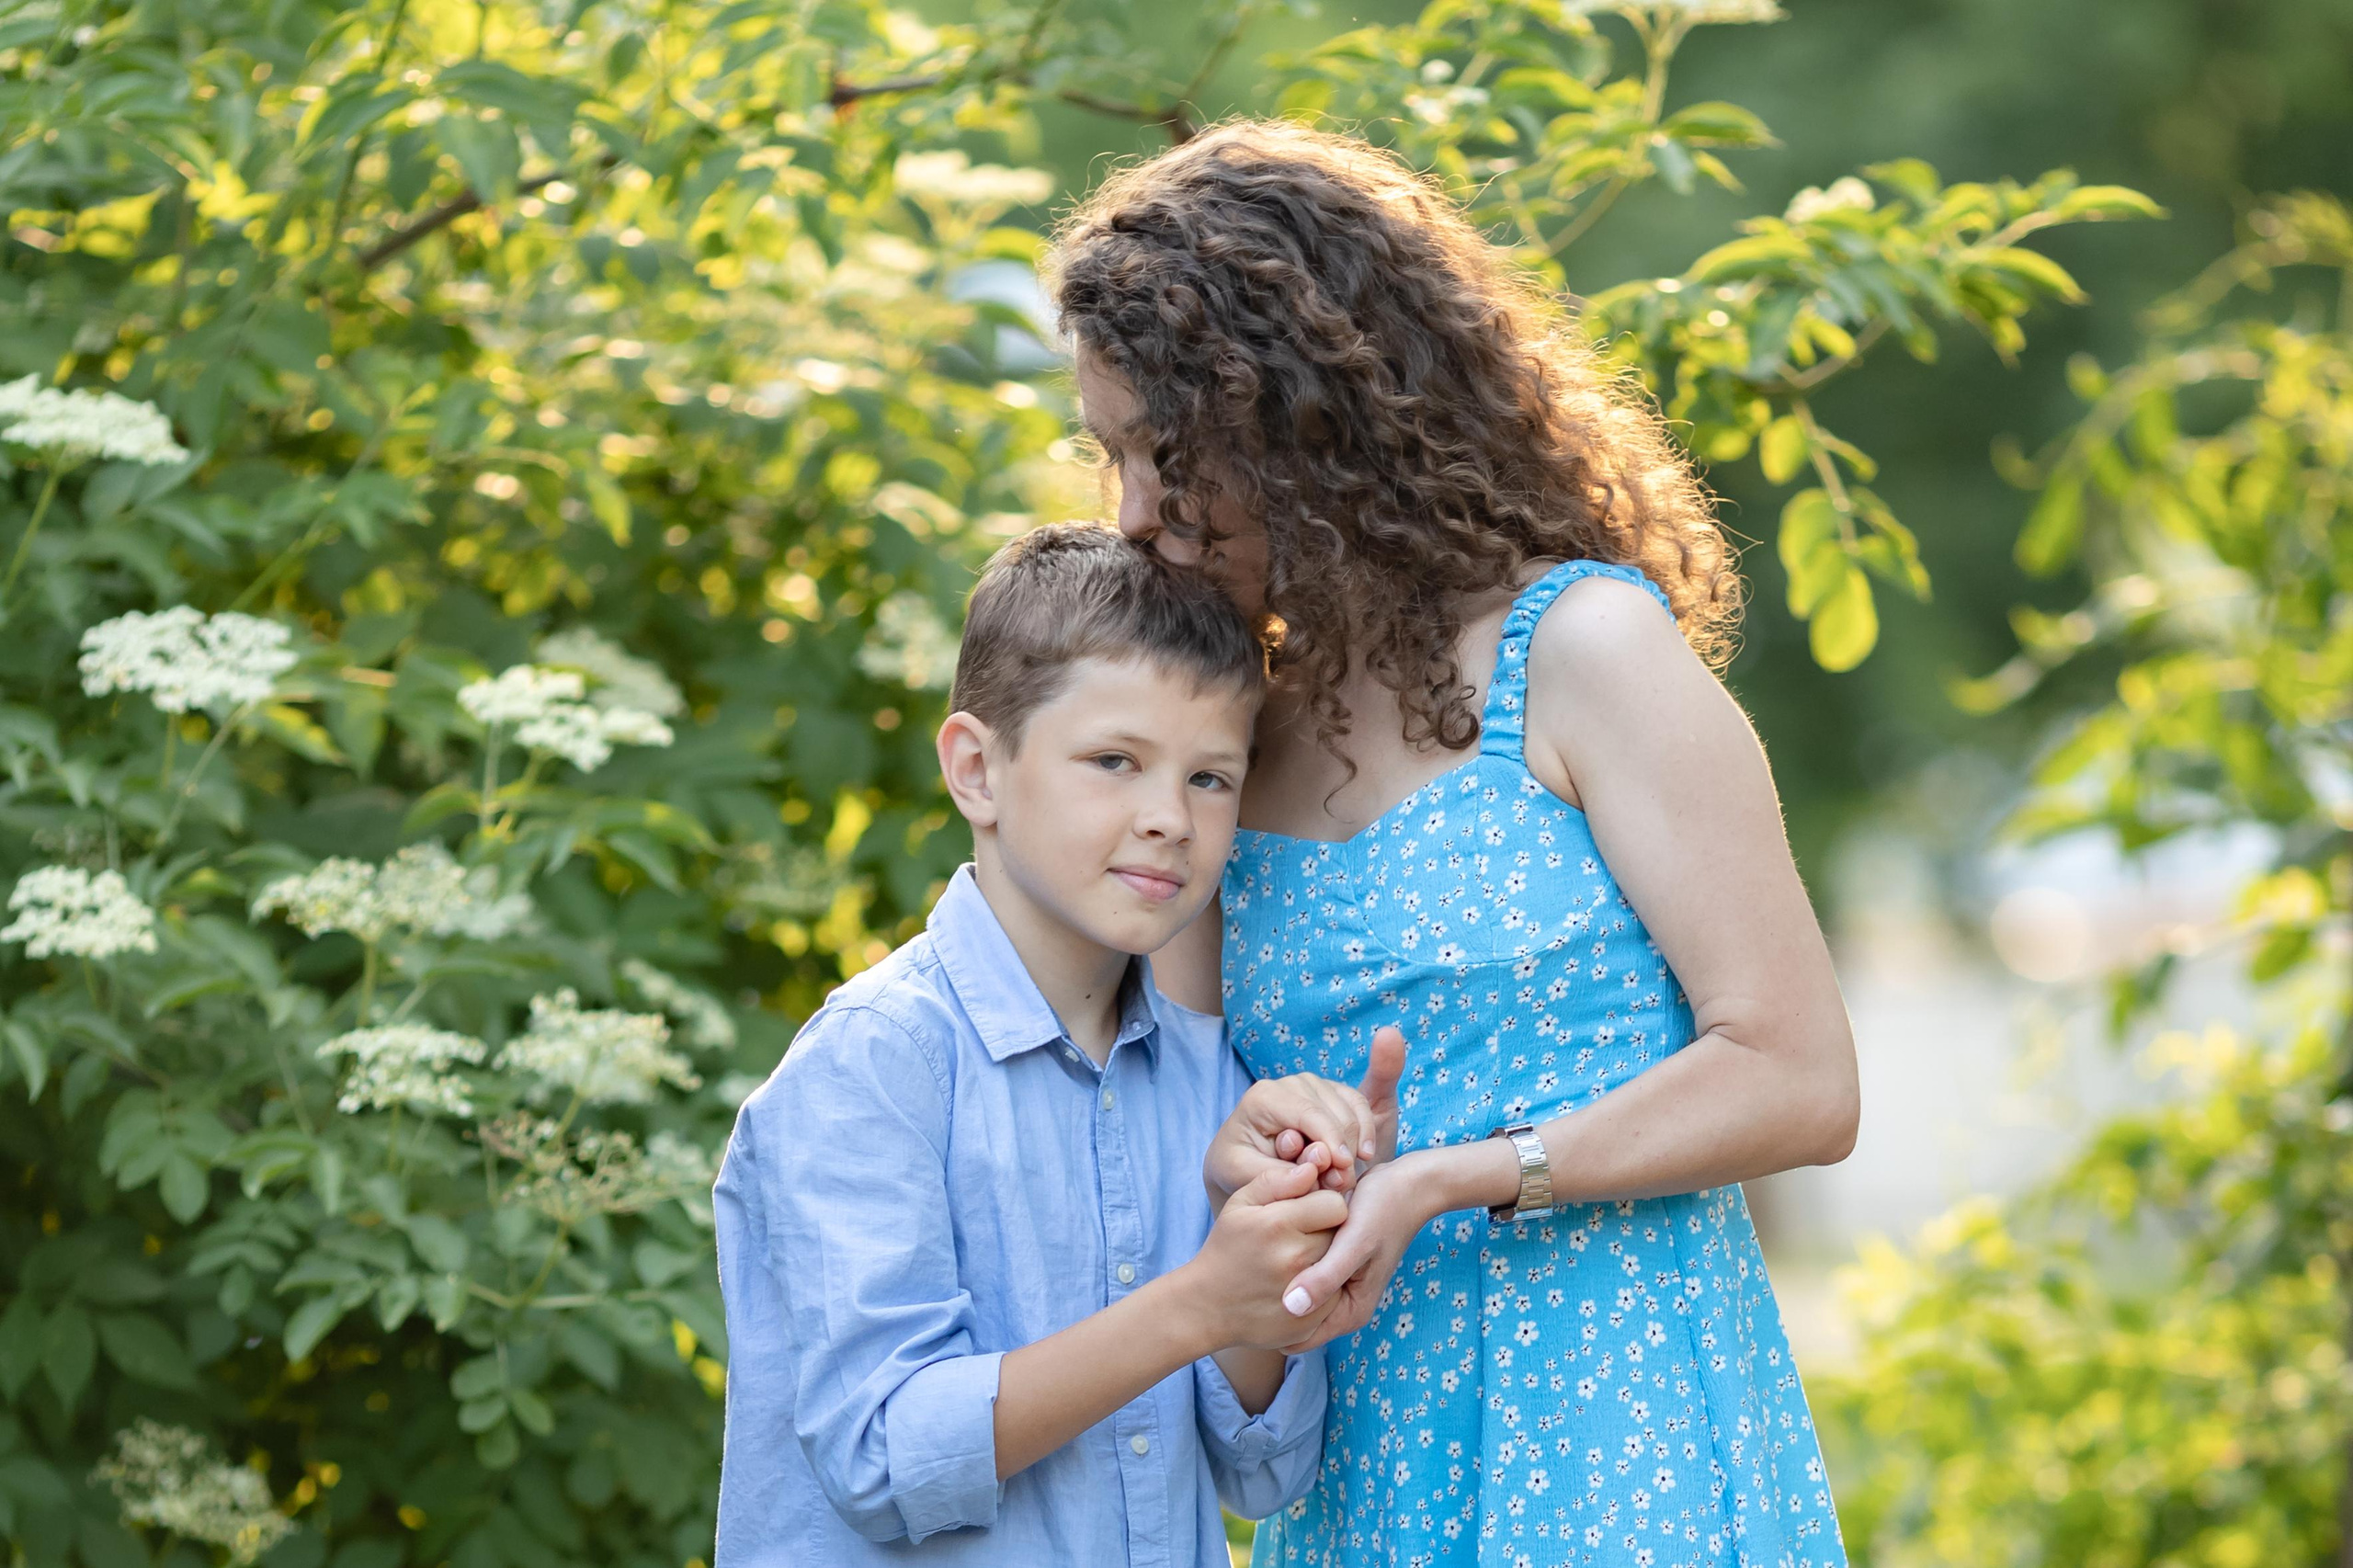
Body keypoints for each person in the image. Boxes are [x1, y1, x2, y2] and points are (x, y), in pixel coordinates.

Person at [1051, 122, 1862, 1567]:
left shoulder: (1587, 651)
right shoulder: (1231, 729)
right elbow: (1172, 1119)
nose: (1130, 510)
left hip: (1627, 1430)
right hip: (1360, 1457)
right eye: (1108, 453)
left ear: (1297, 416)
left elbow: (1798, 1078)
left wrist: (1453, 1172)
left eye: (1164, 451)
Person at [712, 524, 1393, 1567]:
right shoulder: (875, 1063)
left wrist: (1274, 1233)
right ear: (978, 770)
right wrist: (1196, 1301)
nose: (1168, 816)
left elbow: (1263, 1469)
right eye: (1115, 761)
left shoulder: (1212, 1077)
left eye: (1211, 778)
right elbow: (884, 1456)